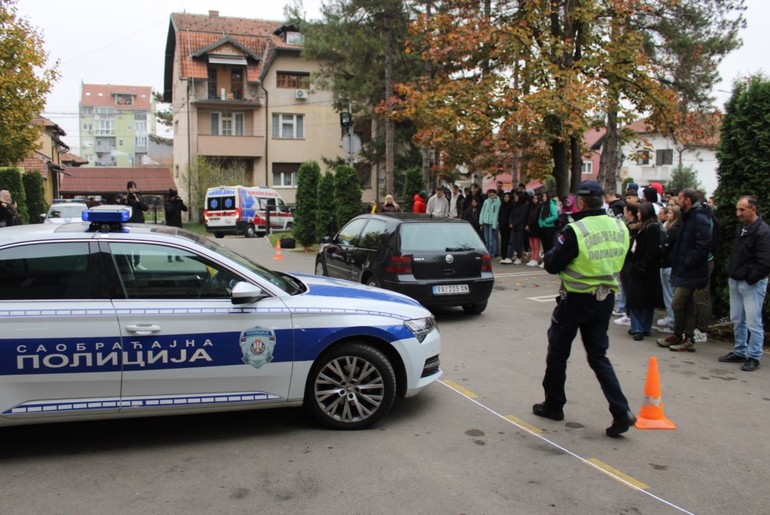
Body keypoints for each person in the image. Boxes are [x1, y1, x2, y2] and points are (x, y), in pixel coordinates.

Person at [532, 181, 636, 437]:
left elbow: (553, 264)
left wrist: (558, 242)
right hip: (605, 297)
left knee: (557, 353)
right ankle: (621, 410)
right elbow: (625, 258)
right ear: (602, 201)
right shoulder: (619, 226)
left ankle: (554, 405)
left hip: (576, 299)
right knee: (599, 357)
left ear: (580, 202)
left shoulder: (576, 230)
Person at [656, 188, 712, 352]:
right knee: (684, 304)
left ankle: (687, 338)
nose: (676, 201)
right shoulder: (687, 217)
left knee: (679, 303)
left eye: (679, 198)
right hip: (683, 268)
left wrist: (688, 261)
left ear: (687, 200)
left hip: (692, 270)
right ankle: (679, 335)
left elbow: (703, 245)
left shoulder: (699, 218)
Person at [719, 196, 770, 371]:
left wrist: (750, 279)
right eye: (737, 209)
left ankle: (754, 356)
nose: (738, 213)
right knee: (737, 319)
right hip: (737, 279)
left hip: (751, 284)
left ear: (753, 209)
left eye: (742, 210)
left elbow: (765, 262)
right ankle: (739, 351)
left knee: (753, 321)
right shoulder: (742, 228)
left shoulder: (763, 231)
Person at [621, 202, 663, 341]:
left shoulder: (651, 228)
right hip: (643, 267)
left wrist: (641, 265)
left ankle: (639, 328)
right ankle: (642, 327)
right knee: (642, 299)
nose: (637, 214)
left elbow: (652, 250)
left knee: (639, 299)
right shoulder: (643, 227)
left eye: (639, 212)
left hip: (644, 269)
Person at [657, 204, 682, 333]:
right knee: (672, 295)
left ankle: (673, 322)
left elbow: (665, 248)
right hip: (674, 265)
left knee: (669, 295)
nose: (668, 215)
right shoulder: (679, 228)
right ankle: (672, 319)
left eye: (671, 213)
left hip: (668, 265)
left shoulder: (673, 230)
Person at [125, 180, 149, 270]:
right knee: (128, 245)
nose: (133, 189)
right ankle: (129, 264)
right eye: (131, 188)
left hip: (138, 224)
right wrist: (126, 199)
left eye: (135, 187)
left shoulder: (139, 197)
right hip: (128, 224)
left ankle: (137, 263)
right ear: (128, 189)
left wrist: (137, 199)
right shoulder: (126, 198)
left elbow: (145, 208)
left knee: (137, 244)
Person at [538, 191, 559, 267]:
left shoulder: (551, 205)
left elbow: (555, 216)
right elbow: (541, 215)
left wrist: (547, 220)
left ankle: (550, 262)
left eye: (545, 196)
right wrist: (540, 223)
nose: (544, 198)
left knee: (549, 245)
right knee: (545, 246)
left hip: (549, 228)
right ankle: (546, 261)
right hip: (543, 228)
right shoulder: (543, 205)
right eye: (543, 196)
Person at [479, 189, 501, 257]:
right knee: (487, 240)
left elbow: (496, 214)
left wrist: (494, 225)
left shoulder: (497, 202)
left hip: (492, 224)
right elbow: (482, 211)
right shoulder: (486, 201)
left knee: (492, 240)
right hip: (485, 222)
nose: (491, 196)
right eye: (490, 194)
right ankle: (487, 253)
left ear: (495, 195)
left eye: (493, 195)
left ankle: (492, 253)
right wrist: (481, 221)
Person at [525, 192, 542, 266]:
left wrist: (529, 225)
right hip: (530, 227)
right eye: (534, 198)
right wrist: (527, 225)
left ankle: (536, 258)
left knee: (536, 244)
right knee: (531, 244)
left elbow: (536, 218)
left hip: (536, 227)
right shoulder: (531, 207)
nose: (534, 200)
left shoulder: (539, 207)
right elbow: (529, 217)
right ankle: (532, 258)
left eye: (536, 198)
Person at [498, 192, 514, 263]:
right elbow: (500, 214)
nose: (506, 198)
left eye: (507, 197)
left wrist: (510, 223)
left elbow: (511, 215)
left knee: (507, 241)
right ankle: (503, 256)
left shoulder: (512, 205)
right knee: (503, 241)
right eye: (505, 197)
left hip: (508, 226)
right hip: (502, 225)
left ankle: (507, 256)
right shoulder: (502, 205)